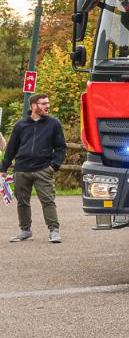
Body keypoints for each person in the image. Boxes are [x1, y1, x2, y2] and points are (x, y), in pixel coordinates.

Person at [1, 94, 67, 243]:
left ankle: (54, 230)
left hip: (43, 169)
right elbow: (11, 148)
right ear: (33, 106)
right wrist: (3, 168)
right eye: (43, 103)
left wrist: (53, 166)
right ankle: (25, 231)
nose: (47, 106)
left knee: (48, 201)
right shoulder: (20, 125)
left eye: (48, 103)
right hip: (21, 169)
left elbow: (60, 148)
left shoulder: (54, 124)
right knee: (22, 202)